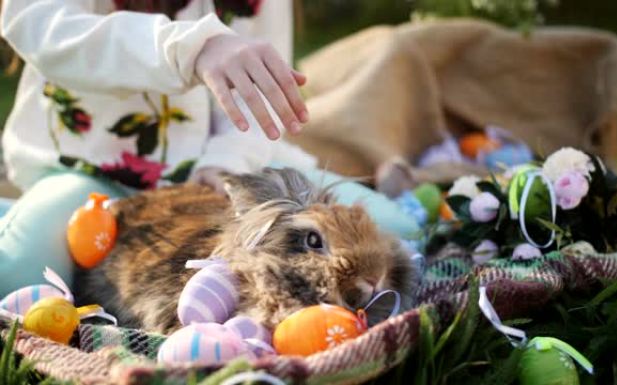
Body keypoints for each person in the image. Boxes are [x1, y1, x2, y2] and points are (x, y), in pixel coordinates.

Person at [0, 0, 420, 297]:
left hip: (219, 174)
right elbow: (38, 25)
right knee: (19, 278)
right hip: (89, 174)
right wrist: (194, 49)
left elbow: (260, 108)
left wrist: (225, 163)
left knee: (398, 237)